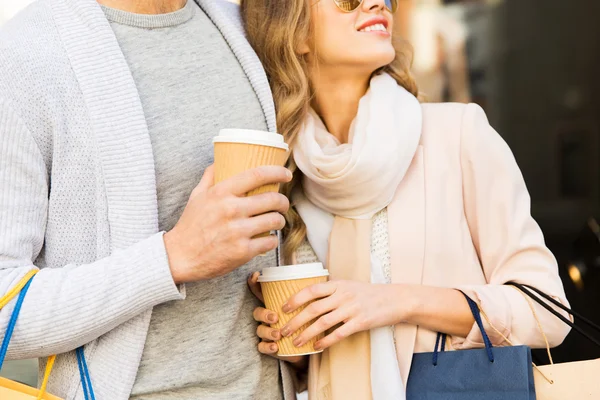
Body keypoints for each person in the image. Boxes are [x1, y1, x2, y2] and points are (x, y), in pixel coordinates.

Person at [242, 0, 571, 398]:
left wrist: (394, 301)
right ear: (294, 34)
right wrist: (297, 347)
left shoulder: (457, 134)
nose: (376, 3)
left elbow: (548, 312)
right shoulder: (286, 173)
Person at [0, 0, 303, 398]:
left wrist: (298, 321)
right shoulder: (23, 54)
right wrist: (172, 257)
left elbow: (288, 211)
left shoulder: (241, 27)